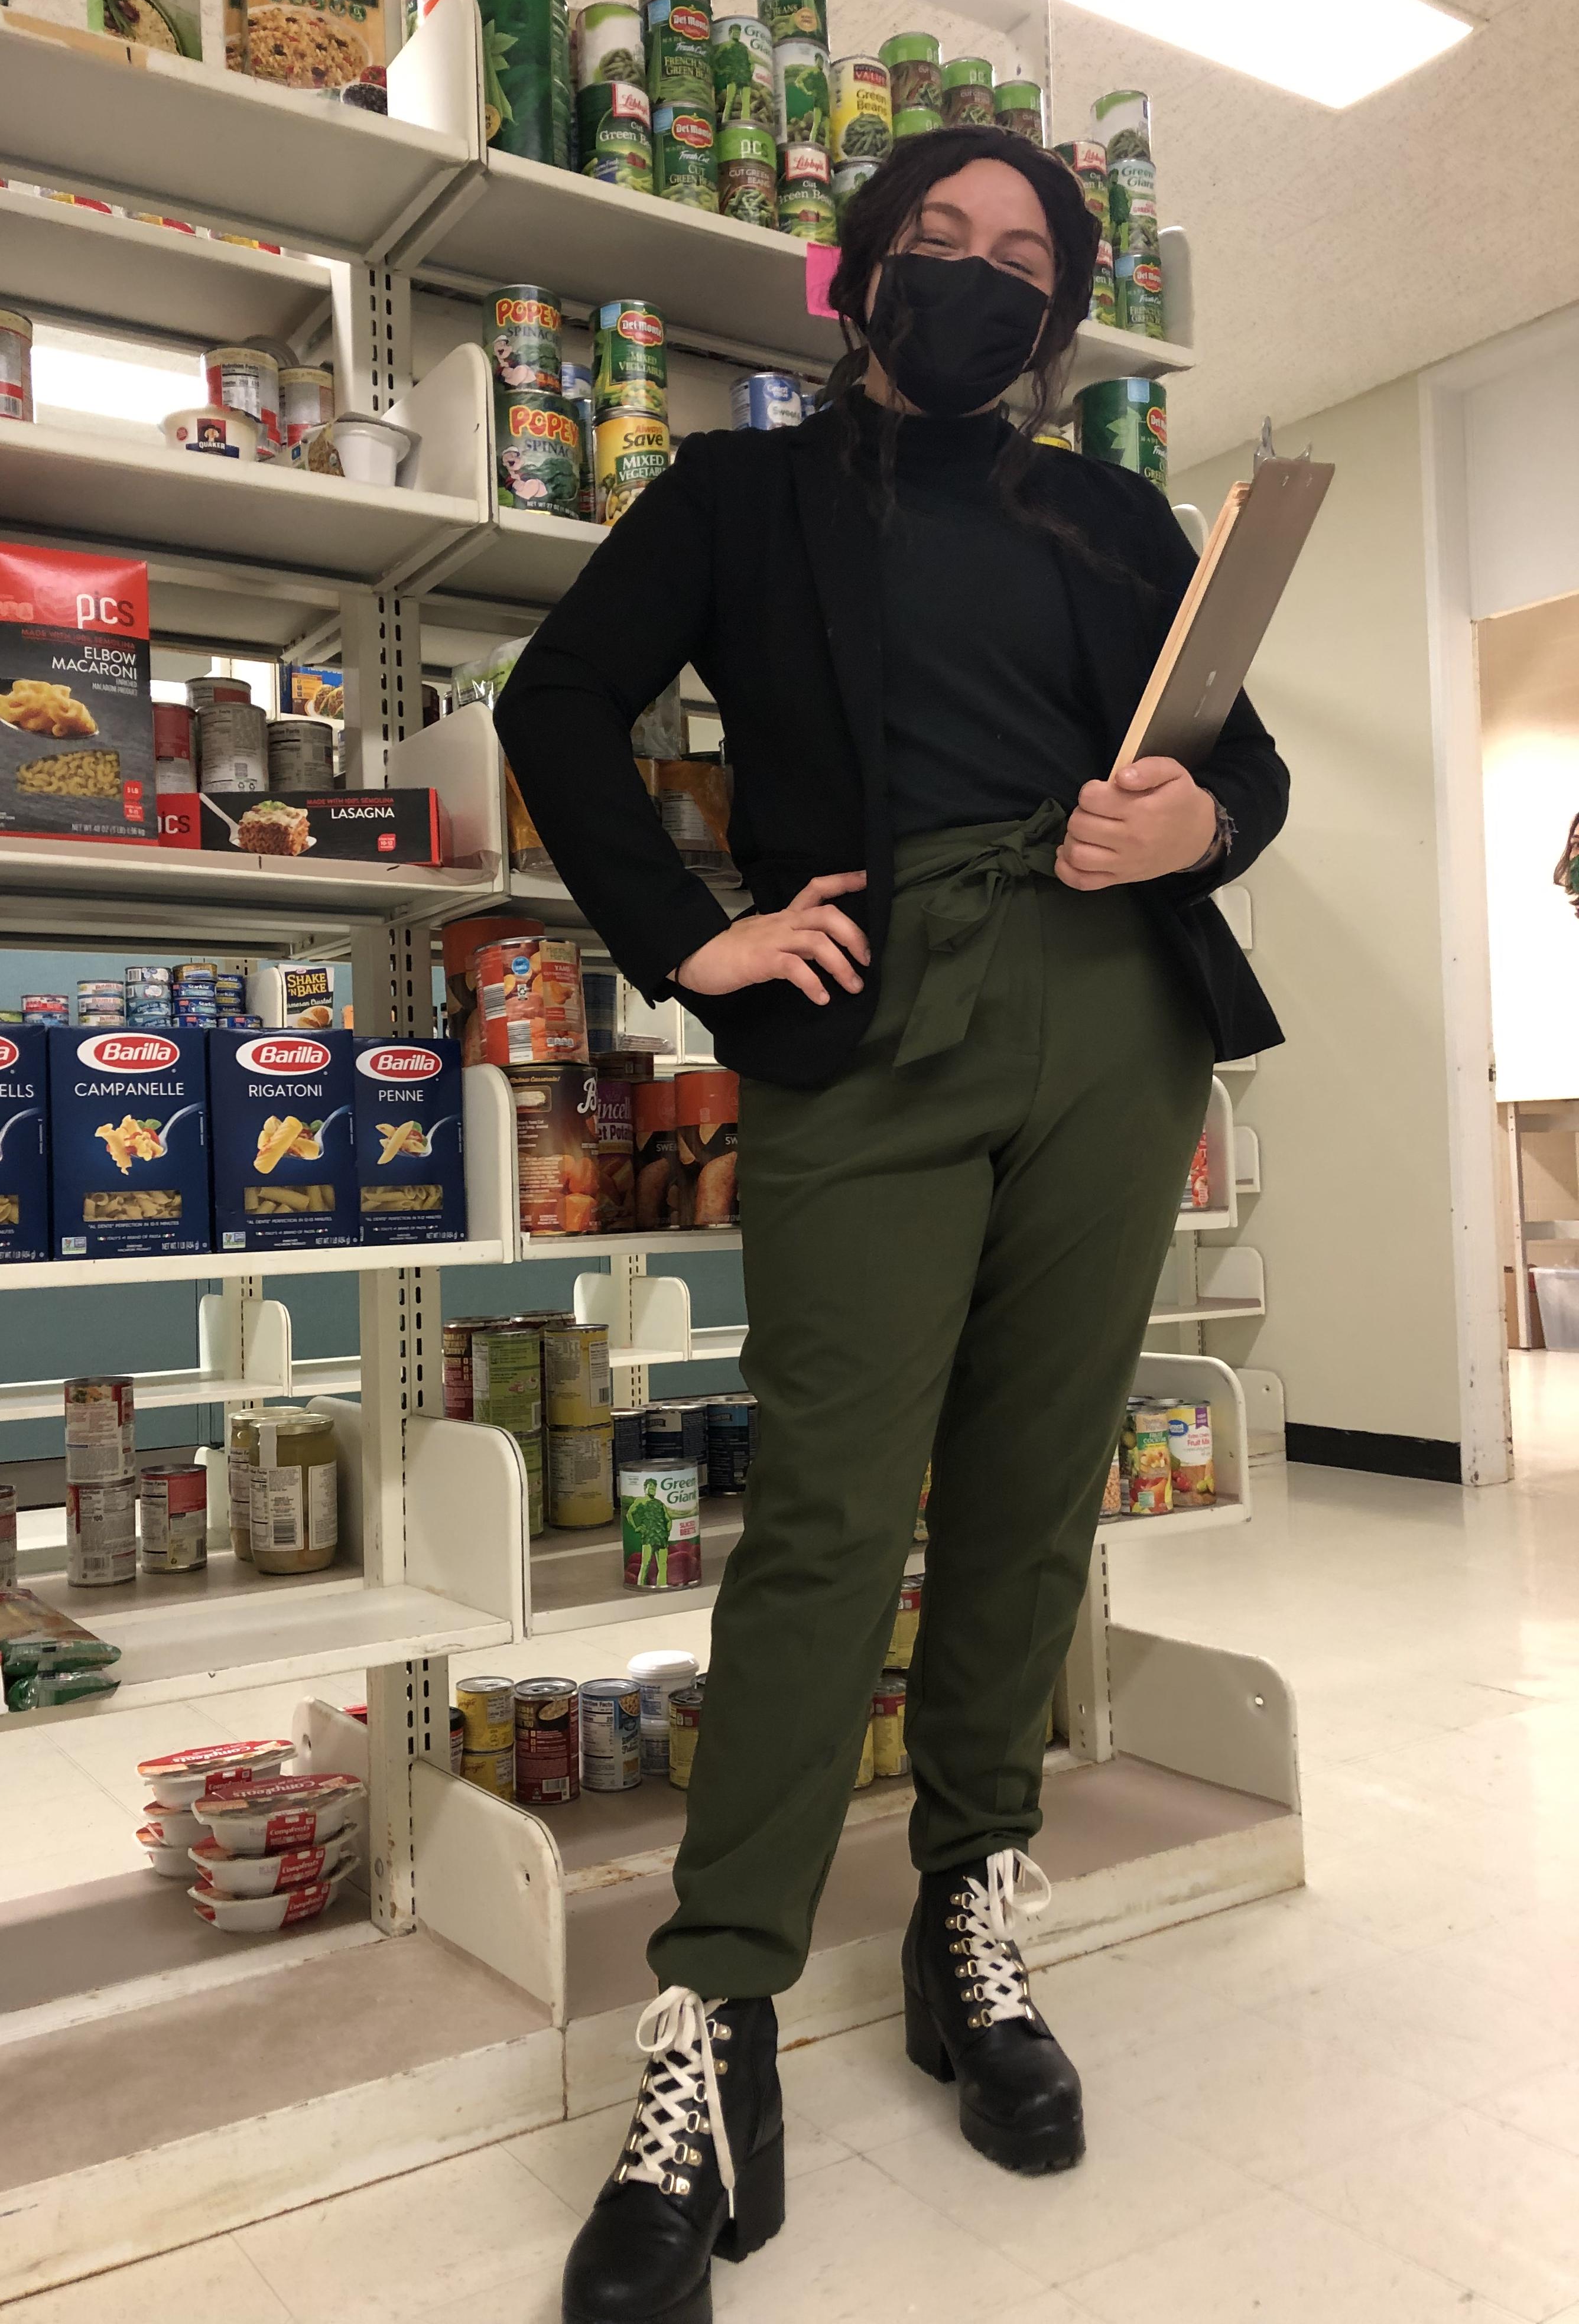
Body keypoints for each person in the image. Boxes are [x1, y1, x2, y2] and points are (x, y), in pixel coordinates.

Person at [495, 123, 1289, 2324]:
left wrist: (1189, 821)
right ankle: (712, 2011)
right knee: (834, 1513)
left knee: (1036, 1499)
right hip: (865, 1010)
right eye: (934, 241)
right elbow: (553, 703)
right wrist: (689, 940)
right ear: (859, 280)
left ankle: (970, 1908)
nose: (974, 275)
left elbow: (1256, 767)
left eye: (1021, 259)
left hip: (1116, 1015)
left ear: (1058, 320)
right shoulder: (737, 500)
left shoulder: (1115, 513)